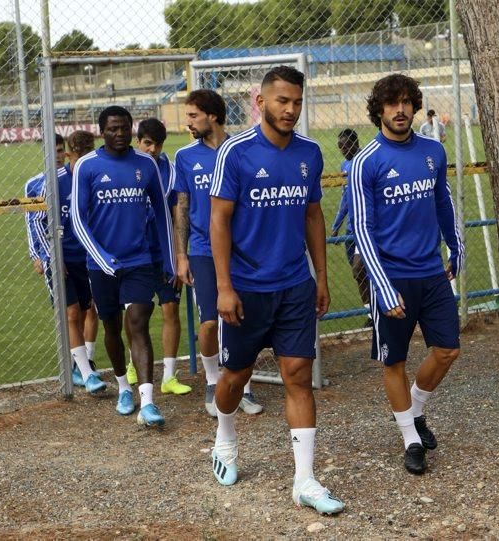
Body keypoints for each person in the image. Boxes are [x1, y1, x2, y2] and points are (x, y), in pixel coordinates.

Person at [208, 66, 344, 514]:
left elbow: (312, 215)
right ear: (261, 102)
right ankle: (225, 438)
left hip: (294, 286)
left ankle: (304, 480)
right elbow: (219, 220)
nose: (290, 110)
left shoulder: (309, 153)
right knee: (236, 377)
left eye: (297, 102)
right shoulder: (236, 152)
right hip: (246, 291)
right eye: (282, 101)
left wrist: (321, 276)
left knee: (298, 375)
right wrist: (224, 287)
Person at [351, 74, 464, 475]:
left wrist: (457, 245)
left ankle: (416, 409)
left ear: (415, 106)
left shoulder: (433, 151)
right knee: (393, 361)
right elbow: (361, 230)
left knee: (448, 349)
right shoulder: (367, 161)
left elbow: (443, 203)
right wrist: (381, 287)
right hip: (391, 277)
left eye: (406, 102)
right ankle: (410, 440)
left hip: (432, 272)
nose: (400, 110)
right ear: (379, 110)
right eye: (391, 103)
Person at [71, 105, 176, 427]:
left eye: (124, 128)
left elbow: (162, 215)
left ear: (131, 128)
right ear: (102, 131)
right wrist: (102, 259)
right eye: (112, 129)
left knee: (138, 322)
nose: (119, 134)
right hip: (100, 265)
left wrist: (170, 261)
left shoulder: (146, 164)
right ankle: (122, 387)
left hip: (139, 260)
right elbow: (78, 219)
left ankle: (148, 402)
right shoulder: (87, 166)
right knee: (112, 328)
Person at [174, 89, 264, 417]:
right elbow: (182, 206)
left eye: (193, 115)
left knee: (243, 317)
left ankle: (244, 384)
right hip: (201, 248)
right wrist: (181, 256)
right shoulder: (185, 157)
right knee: (210, 322)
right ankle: (213, 381)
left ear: (212, 115)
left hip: (242, 249)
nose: (189, 123)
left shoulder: (242, 151)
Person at [24, 132, 104, 393]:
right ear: (70, 155)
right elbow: (36, 220)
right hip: (61, 259)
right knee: (70, 313)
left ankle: (80, 364)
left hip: (86, 257)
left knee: (85, 311)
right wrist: (47, 256)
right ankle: (87, 373)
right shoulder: (53, 182)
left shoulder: (93, 177)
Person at [122, 118, 192, 396]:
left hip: (164, 255)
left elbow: (179, 217)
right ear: (138, 142)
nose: (153, 149)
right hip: (135, 255)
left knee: (170, 310)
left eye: (158, 144)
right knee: (135, 313)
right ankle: (132, 364)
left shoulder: (171, 172)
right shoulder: (125, 169)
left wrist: (178, 256)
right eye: (148, 143)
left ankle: (169, 376)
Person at [330, 128, 371, 322]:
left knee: (359, 269)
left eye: (346, 145)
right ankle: (372, 312)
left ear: (355, 143)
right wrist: (337, 225)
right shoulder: (345, 164)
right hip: (350, 230)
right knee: (360, 275)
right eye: (340, 146)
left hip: (366, 229)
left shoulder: (366, 161)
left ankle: (378, 309)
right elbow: (346, 198)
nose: (343, 149)